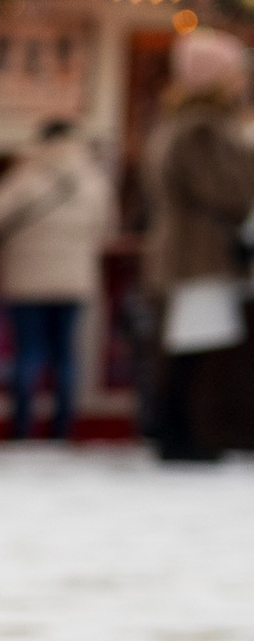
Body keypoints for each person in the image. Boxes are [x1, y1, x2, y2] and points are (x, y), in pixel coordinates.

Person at [139, 27, 254, 465]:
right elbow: (229, 192)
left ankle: (182, 433)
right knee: (198, 349)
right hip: (199, 255)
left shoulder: (177, 125)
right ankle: (187, 435)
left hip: (186, 253)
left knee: (189, 347)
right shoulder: (203, 130)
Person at [0, 118, 111, 441]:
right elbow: (106, 225)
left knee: (28, 352)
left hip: (27, 278)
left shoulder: (25, 175)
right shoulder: (93, 179)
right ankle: (62, 428)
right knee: (65, 355)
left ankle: (22, 427)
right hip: (74, 278)